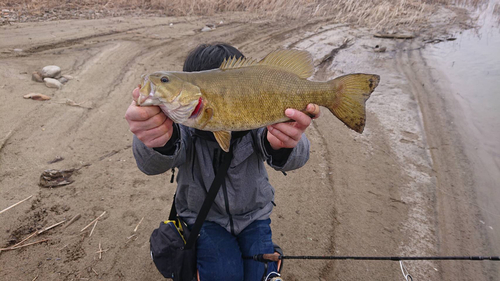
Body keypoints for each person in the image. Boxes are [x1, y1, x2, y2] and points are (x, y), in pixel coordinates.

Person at [125, 43, 320, 281]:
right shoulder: (183, 127)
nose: (160, 83)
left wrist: (283, 144)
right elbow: (150, 164)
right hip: (201, 219)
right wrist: (156, 140)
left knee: (256, 273)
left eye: (165, 80)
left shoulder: (258, 125)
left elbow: (298, 155)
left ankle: (268, 267)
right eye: (166, 80)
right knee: (224, 273)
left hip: (254, 216)